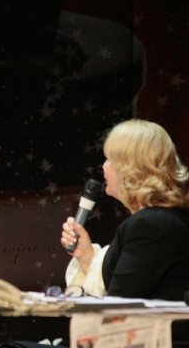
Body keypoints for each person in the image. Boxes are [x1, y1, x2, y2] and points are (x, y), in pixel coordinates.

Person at [61, 119, 189, 300]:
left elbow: (120, 303)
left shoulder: (150, 225)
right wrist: (86, 256)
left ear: (131, 168)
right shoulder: (163, 220)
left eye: (111, 159)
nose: (104, 166)